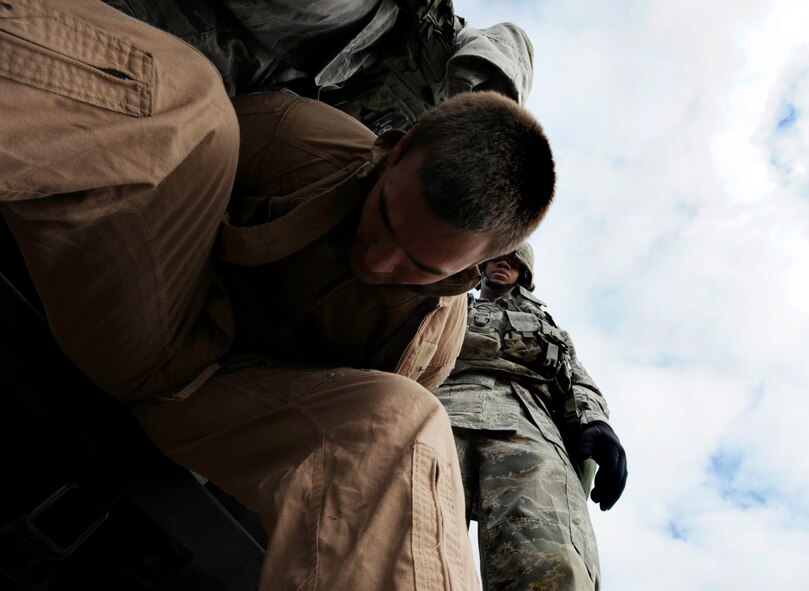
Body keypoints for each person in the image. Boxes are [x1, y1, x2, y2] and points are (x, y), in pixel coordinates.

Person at [0, 1, 557, 589]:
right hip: (152, 314)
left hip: (214, 415)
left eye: (420, 265)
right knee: (190, 102)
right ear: (398, 147)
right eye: (386, 218)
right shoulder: (293, 135)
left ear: (479, 268)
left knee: (407, 423)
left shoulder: (428, 343)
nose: (377, 261)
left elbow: (338, 450)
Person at [434, 244, 628, 590]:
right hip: (438, 412)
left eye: (511, 261)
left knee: (548, 555)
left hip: (528, 424)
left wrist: (596, 423)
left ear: (523, 273)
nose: (501, 265)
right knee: (405, 541)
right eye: (495, 258)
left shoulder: (548, 327)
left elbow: (576, 377)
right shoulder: (444, 300)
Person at [101, 0, 534, 133]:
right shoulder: (474, 62)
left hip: (278, 88)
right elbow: (509, 51)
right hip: (366, 25)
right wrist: (482, 91)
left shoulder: (410, 149)